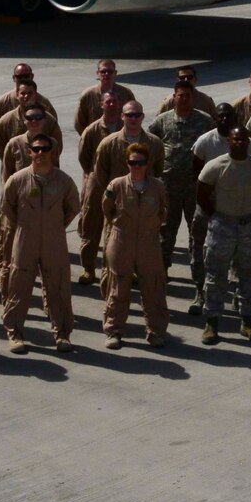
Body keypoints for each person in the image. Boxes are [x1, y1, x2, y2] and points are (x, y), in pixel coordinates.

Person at [0, 135, 80, 354]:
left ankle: (62, 334)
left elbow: (74, 206)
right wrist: (26, 226)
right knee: (19, 286)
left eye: (45, 148)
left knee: (58, 286)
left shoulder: (63, 181)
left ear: (52, 152)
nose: (41, 153)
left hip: (54, 240)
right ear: (30, 152)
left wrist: (56, 225)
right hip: (25, 238)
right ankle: (15, 333)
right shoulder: (17, 180)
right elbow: (8, 208)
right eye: (36, 149)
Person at [195, 126, 251, 342]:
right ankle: (212, 322)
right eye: (235, 139)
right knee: (215, 275)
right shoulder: (216, 166)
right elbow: (201, 194)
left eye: (243, 140)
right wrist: (216, 217)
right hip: (222, 226)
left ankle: (248, 320)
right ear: (229, 141)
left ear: (248, 142)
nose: (239, 143)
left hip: (249, 226)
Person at [86, 103, 163, 284]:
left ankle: (137, 275)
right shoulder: (109, 143)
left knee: (143, 244)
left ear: (143, 117)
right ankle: (111, 282)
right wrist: (113, 196)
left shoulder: (154, 143)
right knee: (113, 245)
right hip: (118, 204)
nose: (133, 119)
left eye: (137, 115)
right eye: (129, 115)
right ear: (122, 117)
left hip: (145, 205)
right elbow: (100, 173)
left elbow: (158, 170)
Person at [100, 144, 169, 347]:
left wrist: (153, 225)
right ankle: (114, 330)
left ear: (147, 164)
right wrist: (119, 225)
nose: (136, 166)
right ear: (127, 163)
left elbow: (164, 209)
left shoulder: (157, 186)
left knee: (153, 287)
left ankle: (155, 331)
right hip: (122, 240)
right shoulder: (117, 185)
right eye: (132, 162)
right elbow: (107, 208)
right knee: (118, 287)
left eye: (140, 163)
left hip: (149, 242)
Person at [149, 82, 213, 272]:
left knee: (198, 232)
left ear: (193, 97)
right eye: (181, 95)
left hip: (196, 187)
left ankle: (198, 272)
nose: (184, 99)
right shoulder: (162, 121)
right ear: (174, 97)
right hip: (169, 187)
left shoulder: (205, 121)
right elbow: (151, 145)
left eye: (188, 95)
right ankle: (161, 271)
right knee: (166, 230)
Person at [187, 104, 239, 310]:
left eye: (228, 116)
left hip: (234, 209)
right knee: (199, 250)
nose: (224, 119)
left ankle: (236, 294)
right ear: (215, 119)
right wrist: (207, 205)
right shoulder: (205, 141)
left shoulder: (243, 141)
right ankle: (200, 292)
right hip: (206, 207)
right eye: (220, 116)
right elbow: (197, 176)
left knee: (236, 254)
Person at [75, 92, 125, 277]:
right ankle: (89, 268)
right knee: (91, 226)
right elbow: (84, 158)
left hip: (120, 183)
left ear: (119, 104)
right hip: (96, 183)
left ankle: (112, 268)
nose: (111, 104)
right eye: (108, 102)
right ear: (101, 105)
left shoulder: (126, 127)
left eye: (114, 101)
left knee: (119, 228)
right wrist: (95, 175)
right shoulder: (92, 130)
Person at [0, 79, 61, 155]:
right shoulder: (6, 120)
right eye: (23, 93)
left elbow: (57, 146)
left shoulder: (49, 120)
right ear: (17, 95)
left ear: (35, 95)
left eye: (30, 93)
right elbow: (0, 143)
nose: (26, 96)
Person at [74, 59, 136, 133]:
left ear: (115, 73)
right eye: (103, 72)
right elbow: (79, 124)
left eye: (110, 71)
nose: (106, 74)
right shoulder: (87, 95)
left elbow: (135, 117)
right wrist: (89, 138)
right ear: (98, 73)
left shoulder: (126, 94)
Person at [0, 63, 57, 127]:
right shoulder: (4, 101)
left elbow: (53, 125)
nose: (23, 79)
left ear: (32, 76)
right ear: (14, 78)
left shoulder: (43, 102)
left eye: (26, 76)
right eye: (19, 77)